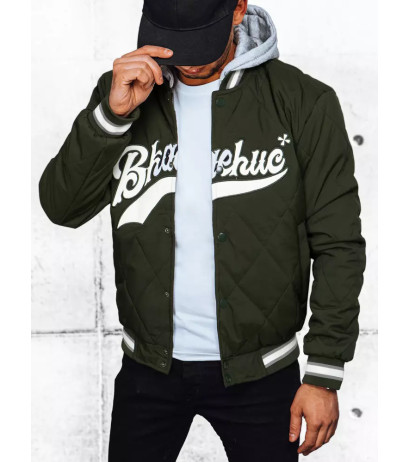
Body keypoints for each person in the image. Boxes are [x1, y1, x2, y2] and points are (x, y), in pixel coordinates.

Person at [38, 0, 366, 460]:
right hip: (148, 369)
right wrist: (111, 117)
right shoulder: (125, 93)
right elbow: (62, 207)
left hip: (261, 374)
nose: (188, 60)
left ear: (238, 9)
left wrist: (324, 372)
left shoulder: (303, 101)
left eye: (199, 41)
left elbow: (339, 244)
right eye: (174, 41)